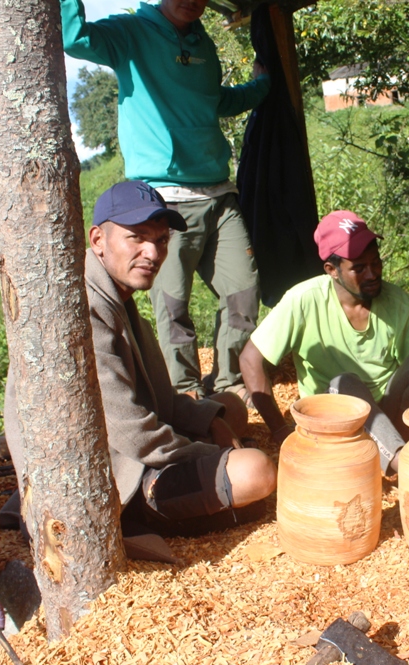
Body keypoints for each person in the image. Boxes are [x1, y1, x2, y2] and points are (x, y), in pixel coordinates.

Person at [4, 181, 276, 544]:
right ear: (98, 239)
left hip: (127, 445)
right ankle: (146, 518)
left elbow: (161, 402)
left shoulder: (117, 300)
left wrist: (212, 422)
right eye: (137, 237)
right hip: (112, 479)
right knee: (255, 471)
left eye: (162, 240)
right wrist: (214, 452)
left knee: (228, 410)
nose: (153, 252)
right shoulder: (81, 314)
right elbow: (135, 434)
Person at [61, 0, 270, 399]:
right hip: (166, 201)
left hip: (219, 193)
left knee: (244, 292)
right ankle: (187, 394)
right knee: (172, 307)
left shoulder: (202, 43)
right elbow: (74, 39)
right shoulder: (131, 34)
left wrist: (261, 87)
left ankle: (230, 383)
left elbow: (213, 101)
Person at [238, 210, 409, 474]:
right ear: (332, 270)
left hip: (386, 420)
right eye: (359, 268)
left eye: (376, 263)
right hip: (334, 425)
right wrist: (280, 430)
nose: (373, 274)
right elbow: (250, 359)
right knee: (344, 383)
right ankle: (407, 467)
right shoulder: (304, 300)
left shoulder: (398, 303)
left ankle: (407, 450)